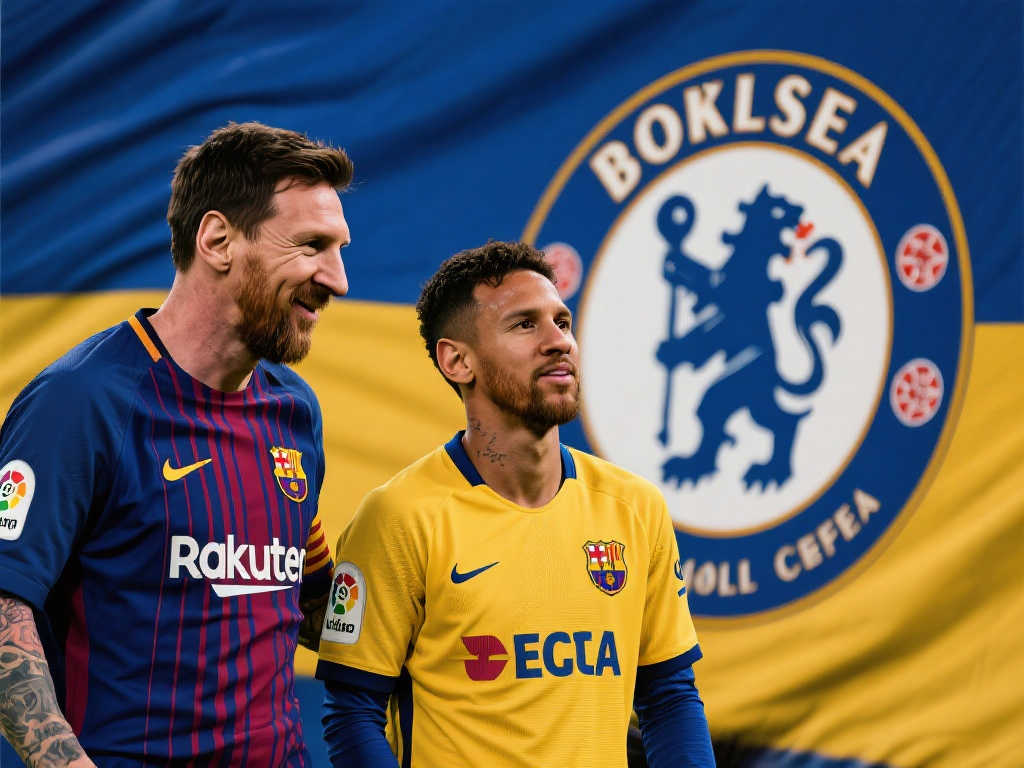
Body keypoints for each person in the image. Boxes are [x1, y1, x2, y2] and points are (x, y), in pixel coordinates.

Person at [0, 121, 353, 766]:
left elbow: (303, 598)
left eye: (339, 250)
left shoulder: (295, 411)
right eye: (311, 246)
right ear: (217, 240)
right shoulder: (79, 402)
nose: (337, 279)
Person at [315, 241, 715, 767]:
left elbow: (669, 696)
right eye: (525, 325)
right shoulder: (397, 517)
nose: (558, 341)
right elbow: (352, 714)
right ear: (458, 360)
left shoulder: (635, 507)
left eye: (562, 322)